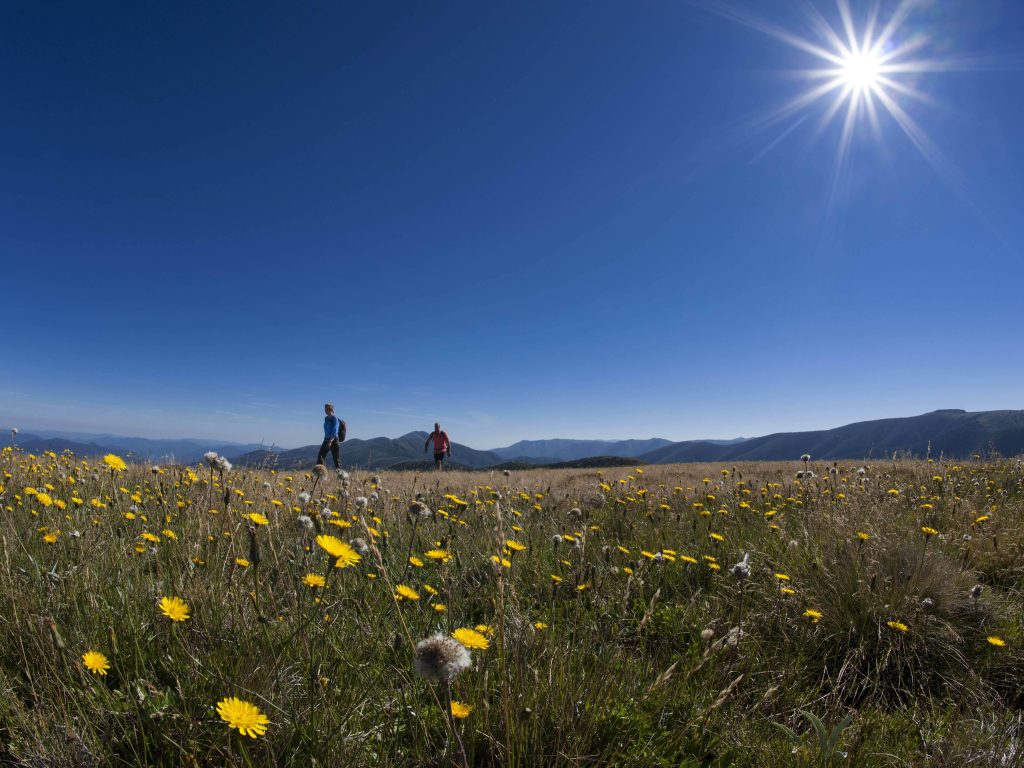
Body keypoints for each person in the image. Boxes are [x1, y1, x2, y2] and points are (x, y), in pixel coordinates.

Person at [316, 403, 346, 468]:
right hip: (326, 439)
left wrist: (330, 441)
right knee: (320, 457)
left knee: (336, 460)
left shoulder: (335, 418)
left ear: (331, 409)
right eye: (325, 409)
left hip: (334, 440)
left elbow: (335, 430)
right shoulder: (326, 418)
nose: (325, 411)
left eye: (327, 409)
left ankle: (340, 473)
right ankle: (321, 472)